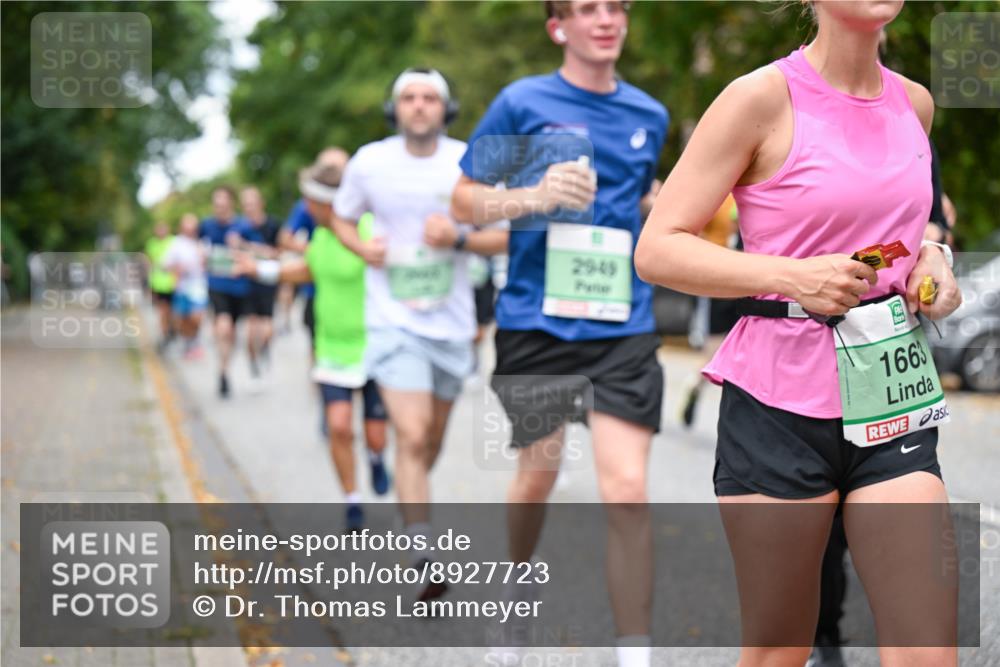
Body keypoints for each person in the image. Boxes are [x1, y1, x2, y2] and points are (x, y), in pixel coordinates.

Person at [634, 2, 962, 665]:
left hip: (889, 401)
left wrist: (935, 258)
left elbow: (912, 220)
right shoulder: (758, 98)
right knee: (779, 648)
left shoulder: (915, 105)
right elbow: (658, 249)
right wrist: (792, 278)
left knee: (929, 649)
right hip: (777, 405)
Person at [451, 2, 668, 665]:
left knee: (627, 488)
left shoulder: (650, 116)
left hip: (622, 324)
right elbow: (463, 199)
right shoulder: (522, 102)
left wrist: (654, 210)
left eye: (615, 7)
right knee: (537, 474)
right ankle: (513, 607)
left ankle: (635, 649)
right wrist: (534, 195)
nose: (605, 19)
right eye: (586, 9)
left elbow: (637, 204)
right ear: (559, 27)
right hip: (537, 323)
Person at [333, 67, 508, 600]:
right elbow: (341, 219)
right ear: (395, 108)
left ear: (445, 108)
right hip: (392, 322)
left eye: (429, 97)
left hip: (452, 326)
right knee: (410, 434)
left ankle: (413, 500)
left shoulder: (469, 162)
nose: (418, 105)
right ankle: (422, 549)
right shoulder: (369, 161)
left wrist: (457, 236)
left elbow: (503, 235)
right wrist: (363, 249)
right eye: (408, 97)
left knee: (429, 441)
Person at [236, 161, 391, 532]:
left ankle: (375, 458)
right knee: (339, 427)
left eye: (311, 201)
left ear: (328, 203)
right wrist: (259, 269)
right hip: (332, 349)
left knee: (374, 433)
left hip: (375, 349)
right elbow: (303, 270)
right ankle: (353, 502)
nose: (305, 208)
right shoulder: (320, 239)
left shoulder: (370, 230)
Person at [199, 185, 252, 398]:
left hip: (239, 286)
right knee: (223, 327)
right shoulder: (207, 225)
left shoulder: (243, 225)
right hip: (216, 283)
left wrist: (241, 245)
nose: (219, 206)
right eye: (216, 202)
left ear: (231, 203)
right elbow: (200, 247)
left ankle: (225, 368)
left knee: (232, 333)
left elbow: (257, 251)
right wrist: (201, 256)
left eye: (223, 202)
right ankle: (222, 371)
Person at [239, 186, 282, 386]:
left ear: (260, 203)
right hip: (247, 284)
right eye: (245, 204)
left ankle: (263, 352)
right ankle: (253, 365)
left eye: (252, 203)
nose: (249, 207)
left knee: (267, 329)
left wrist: (249, 248)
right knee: (250, 331)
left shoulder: (273, 225)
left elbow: (276, 253)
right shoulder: (240, 227)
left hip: (268, 282)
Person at [161, 213, 208, 360]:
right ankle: (189, 343)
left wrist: (205, 259)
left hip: (199, 285)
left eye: (193, 226)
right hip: (182, 287)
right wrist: (176, 267)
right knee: (184, 319)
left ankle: (195, 341)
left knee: (196, 317)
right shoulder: (177, 243)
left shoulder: (203, 242)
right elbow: (164, 264)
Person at [145, 221, 177, 352]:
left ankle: (172, 330)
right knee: (163, 311)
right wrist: (150, 285)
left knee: (174, 311)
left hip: (175, 283)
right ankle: (165, 336)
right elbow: (149, 265)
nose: (161, 231)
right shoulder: (151, 244)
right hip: (159, 285)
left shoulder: (175, 242)